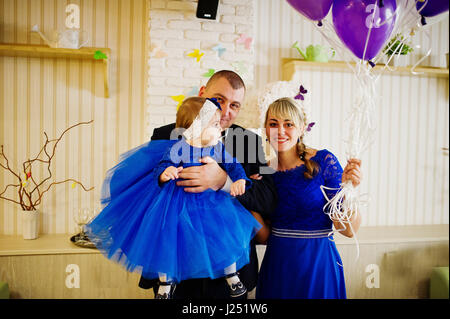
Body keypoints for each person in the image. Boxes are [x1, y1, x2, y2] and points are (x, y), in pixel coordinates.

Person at [86, 97, 263, 299]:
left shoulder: (217, 148)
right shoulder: (179, 148)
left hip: (212, 206)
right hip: (176, 205)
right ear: (196, 129)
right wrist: (165, 172)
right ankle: (166, 282)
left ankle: (231, 276)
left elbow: (234, 166)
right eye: (214, 125)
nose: (220, 129)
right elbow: (163, 165)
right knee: (167, 239)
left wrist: (240, 180)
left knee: (225, 235)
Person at [138, 70, 277, 299]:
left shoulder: (249, 141)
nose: (225, 111)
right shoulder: (166, 135)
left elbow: (267, 196)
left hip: (229, 271)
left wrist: (223, 180)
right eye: (219, 100)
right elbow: (146, 187)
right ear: (202, 94)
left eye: (235, 105)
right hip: (177, 267)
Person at [255, 97, 362, 299]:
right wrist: (243, 200)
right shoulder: (263, 171)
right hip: (278, 266)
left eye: (288, 124)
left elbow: (348, 230)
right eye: (273, 124)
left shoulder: (323, 161)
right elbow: (264, 236)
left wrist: (351, 190)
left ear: (302, 128)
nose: (280, 130)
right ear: (266, 129)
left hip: (318, 265)